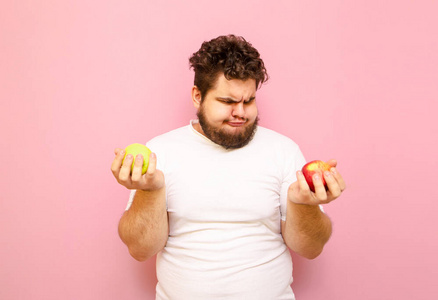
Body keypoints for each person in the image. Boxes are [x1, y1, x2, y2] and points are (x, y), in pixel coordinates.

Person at [110, 34, 346, 300]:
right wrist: (150, 191)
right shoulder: (160, 152)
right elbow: (140, 249)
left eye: (249, 101)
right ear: (198, 96)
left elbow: (310, 249)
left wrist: (304, 205)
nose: (241, 113)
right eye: (227, 102)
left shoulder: (283, 150)